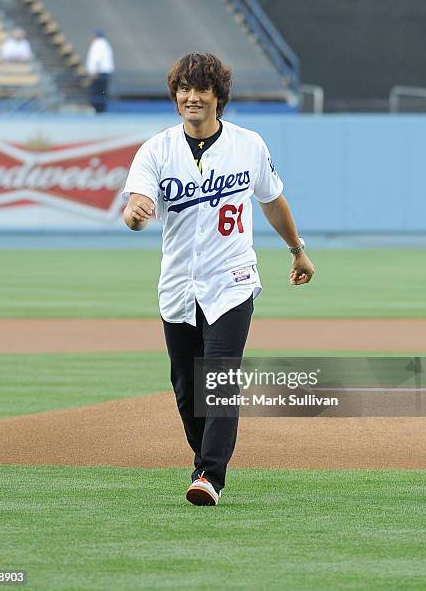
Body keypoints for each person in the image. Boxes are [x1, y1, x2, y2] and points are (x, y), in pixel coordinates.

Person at [122, 53, 314, 506]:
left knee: (220, 377)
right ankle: (204, 460)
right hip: (178, 286)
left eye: (200, 89)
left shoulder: (248, 145)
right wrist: (135, 215)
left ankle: (210, 476)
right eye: (183, 90)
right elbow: (135, 205)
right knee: (187, 387)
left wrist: (297, 249)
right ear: (175, 96)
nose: (191, 97)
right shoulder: (156, 149)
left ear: (217, 96)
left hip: (232, 280)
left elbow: (272, 200)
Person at [85, 29, 114, 113]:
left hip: (99, 73)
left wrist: (95, 71)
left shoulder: (98, 44)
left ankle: (97, 109)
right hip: (105, 73)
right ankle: (102, 109)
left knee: (96, 92)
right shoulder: (106, 44)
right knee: (103, 92)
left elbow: (97, 58)